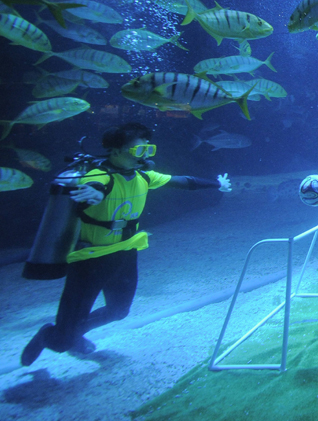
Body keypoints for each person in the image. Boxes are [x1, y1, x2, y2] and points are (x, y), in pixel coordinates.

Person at [21, 122, 232, 366]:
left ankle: (72, 334)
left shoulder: (143, 176)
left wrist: (217, 184)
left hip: (125, 255)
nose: (143, 157)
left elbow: (183, 181)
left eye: (148, 150)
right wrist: (94, 194)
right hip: (90, 261)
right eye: (137, 151)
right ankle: (50, 335)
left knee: (118, 311)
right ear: (115, 151)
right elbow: (95, 185)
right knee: (61, 343)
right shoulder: (99, 175)